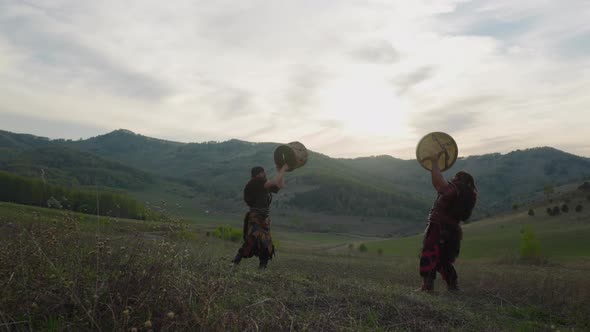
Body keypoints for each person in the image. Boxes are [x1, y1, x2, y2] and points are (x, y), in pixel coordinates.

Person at [418, 154, 477, 292]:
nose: (453, 178)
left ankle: (427, 286)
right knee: (444, 259)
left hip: (439, 226)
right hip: (452, 229)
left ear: (460, 179)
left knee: (429, 253)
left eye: (456, 177)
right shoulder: (469, 194)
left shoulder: (456, 189)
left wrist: (434, 162)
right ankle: (453, 286)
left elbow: (439, 184)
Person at [232, 163, 289, 269]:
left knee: (266, 244)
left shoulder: (262, 184)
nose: (265, 174)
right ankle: (235, 262)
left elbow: (280, 185)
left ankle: (261, 268)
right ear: (259, 174)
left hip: (263, 217)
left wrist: (282, 172)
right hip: (256, 216)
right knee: (253, 240)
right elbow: (273, 182)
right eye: (263, 172)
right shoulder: (255, 182)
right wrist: (283, 169)